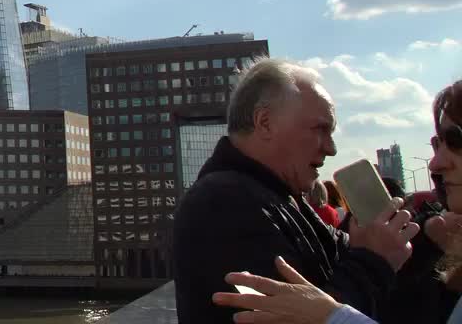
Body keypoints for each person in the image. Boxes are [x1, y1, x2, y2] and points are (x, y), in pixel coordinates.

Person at [173, 58, 420, 322]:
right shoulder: (222, 205)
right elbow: (300, 317)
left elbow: (335, 261)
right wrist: (373, 262)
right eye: (320, 129)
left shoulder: (277, 198)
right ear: (265, 122)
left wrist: (420, 235)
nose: (331, 148)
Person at [212, 78, 462, 324]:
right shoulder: (228, 204)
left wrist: (331, 314)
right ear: (264, 123)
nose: (435, 163)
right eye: (320, 129)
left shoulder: (273, 202)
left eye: (455, 141)